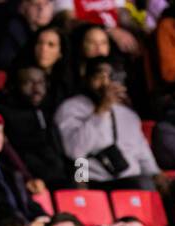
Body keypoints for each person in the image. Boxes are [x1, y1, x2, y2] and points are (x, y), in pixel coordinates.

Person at [55, 57, 166, 192]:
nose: (106, 83)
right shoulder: (72, 107)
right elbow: (75, 151)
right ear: (87, 79)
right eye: (99, 77)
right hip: (91, 181)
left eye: (111, 77)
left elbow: (142, 153)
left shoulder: (128, 114)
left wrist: (156, 174)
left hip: (128, 179)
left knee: (150, 184)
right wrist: (101, 111)